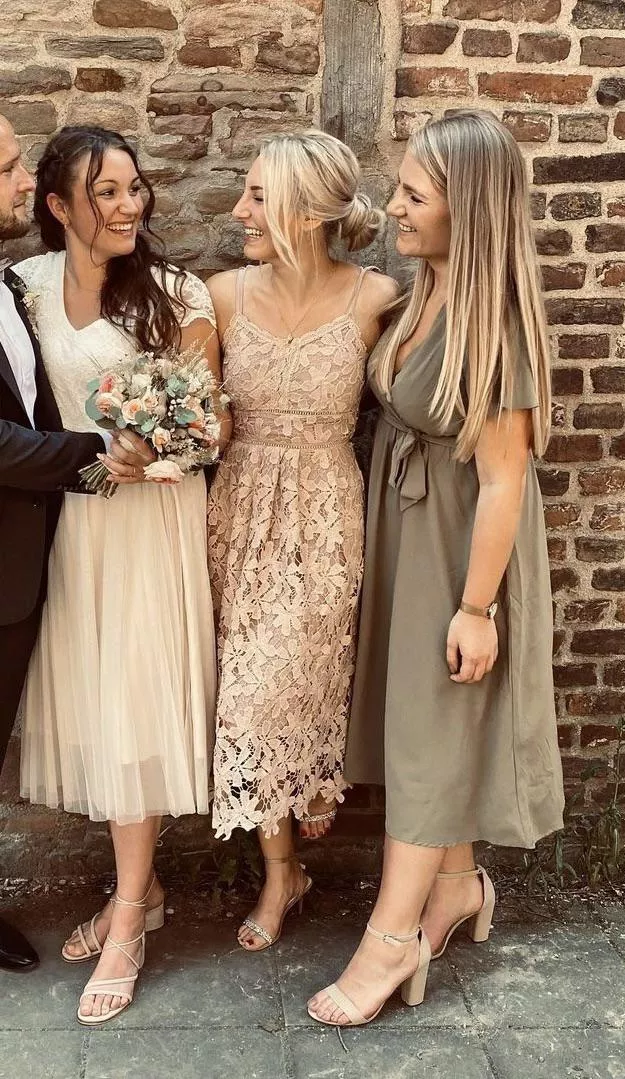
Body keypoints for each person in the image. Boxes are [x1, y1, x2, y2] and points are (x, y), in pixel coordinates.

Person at [308, 109, 564, 1027]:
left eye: (414, 195)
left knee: (426, 739)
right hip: (411, 537)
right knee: (430, 729)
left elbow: (504, 483)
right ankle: (456, 888)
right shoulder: (427, 290)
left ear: (471, 209)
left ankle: (391, 937)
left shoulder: (490, 322)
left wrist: (476, 609)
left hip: (461, 557)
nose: (393, 208)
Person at [17, 125, 229, 1024]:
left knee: (137, 706)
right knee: (102, 711)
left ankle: (132, 915)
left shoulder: (177, 292)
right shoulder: (21, 290)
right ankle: (130, 889)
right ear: (60, 205)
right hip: (77, 528)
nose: (129, 205)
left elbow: (212, 426)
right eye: (106, 192)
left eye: (135, 188)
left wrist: (164, 447)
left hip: (150, 525)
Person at [206, 129, 397, 951]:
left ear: (309, 212)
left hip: (325, 513)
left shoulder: (377, 298)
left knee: (290, 682)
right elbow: (206, 421)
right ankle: (282, 865)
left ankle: (303, 818)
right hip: (238, 510)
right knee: (238, 692)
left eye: (257, 196)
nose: (238, 209)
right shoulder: (217, 295)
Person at [0, 114, 148, 974]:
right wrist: (99, 450)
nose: (21, 183)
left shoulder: (13, 284)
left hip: (27, 566)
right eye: (12, 169)